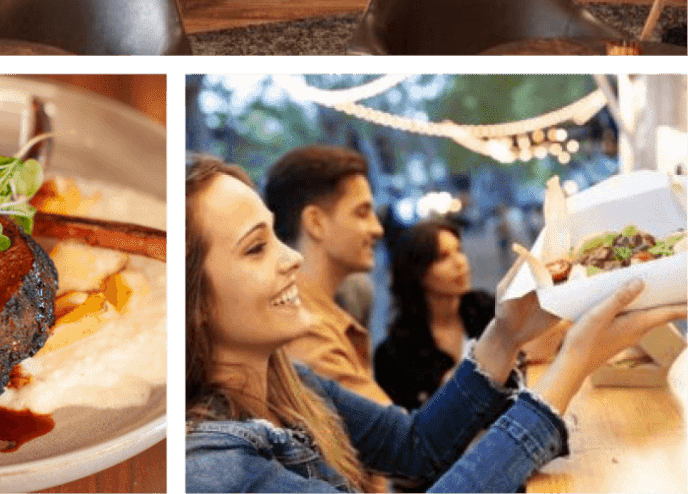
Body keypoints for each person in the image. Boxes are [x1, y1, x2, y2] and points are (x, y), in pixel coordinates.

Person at [184, 155, 687, 494]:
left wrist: (506, 333)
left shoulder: (290, 378)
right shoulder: (209, 463)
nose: (291, 257)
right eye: (255, 247)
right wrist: (570, 365)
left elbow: (414, 447)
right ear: (193, 301)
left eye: (275, 237)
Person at [264, 145, 391, 405]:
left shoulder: (318, 310)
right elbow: (404, 442)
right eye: (362, 212)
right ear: (316, 223)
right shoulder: (305, 330)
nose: (377, 229)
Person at [374, 221, 495, 411]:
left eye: (459, 250)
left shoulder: (486, 309)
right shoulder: (394, 354)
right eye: (443, 257)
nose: (460, 262)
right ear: (418, 273)